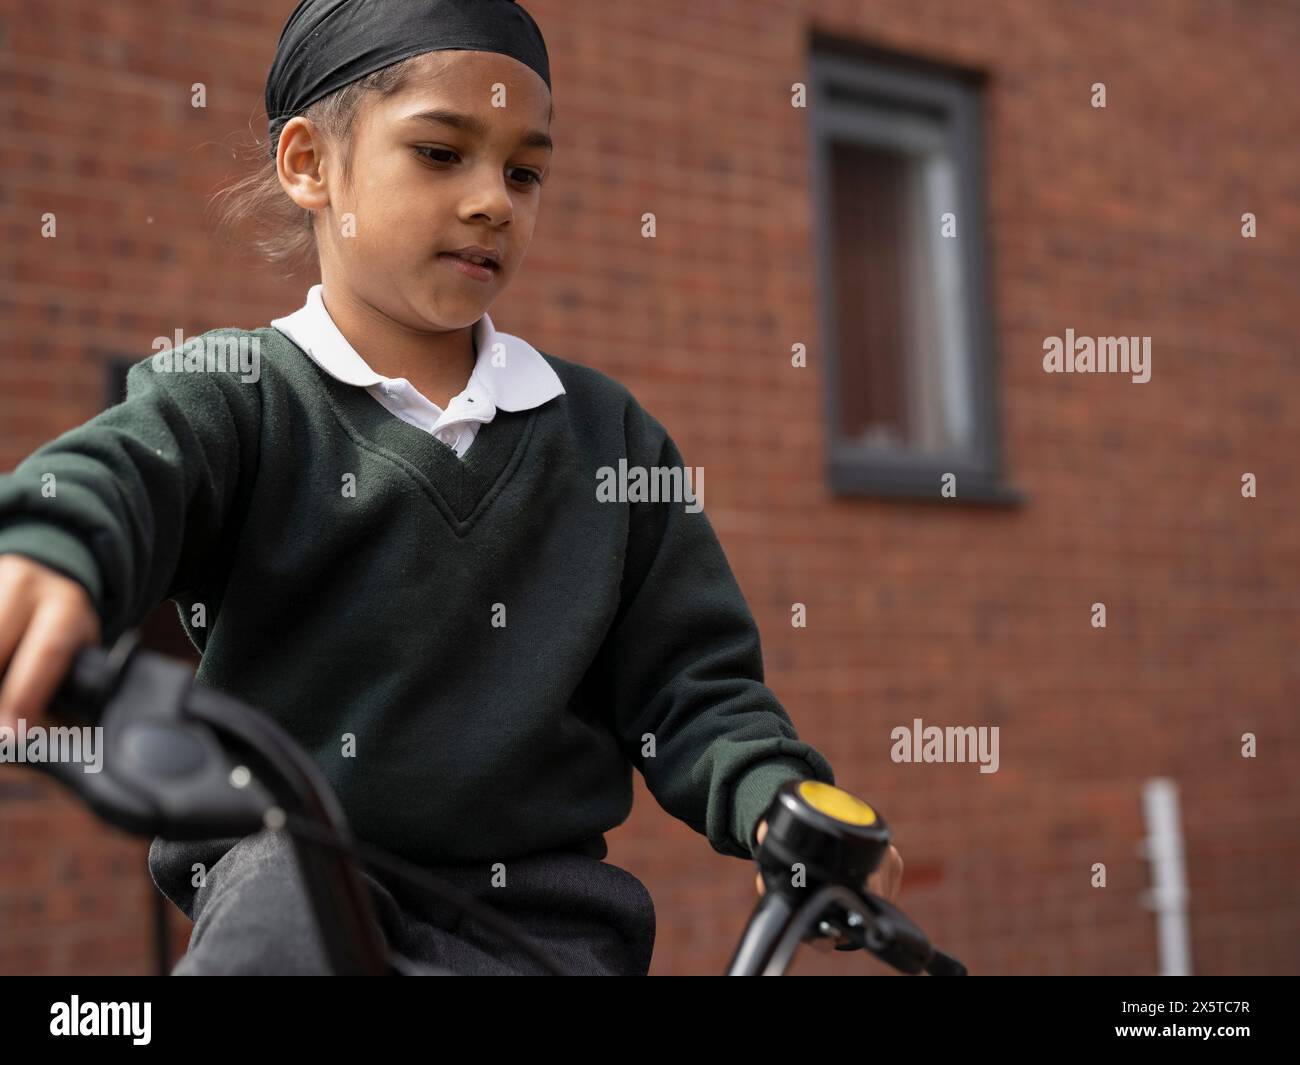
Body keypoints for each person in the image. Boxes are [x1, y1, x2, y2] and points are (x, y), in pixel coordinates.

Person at [0, 0, 901, 975]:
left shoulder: (607, 436)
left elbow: (694, 686)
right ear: (309, 165)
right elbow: (124, 471)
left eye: (524, 171)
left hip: (548, 934)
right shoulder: (231, 394)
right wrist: (53, 546)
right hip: (295, 902)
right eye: (440, 153)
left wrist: (769, 790)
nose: (493, 200)